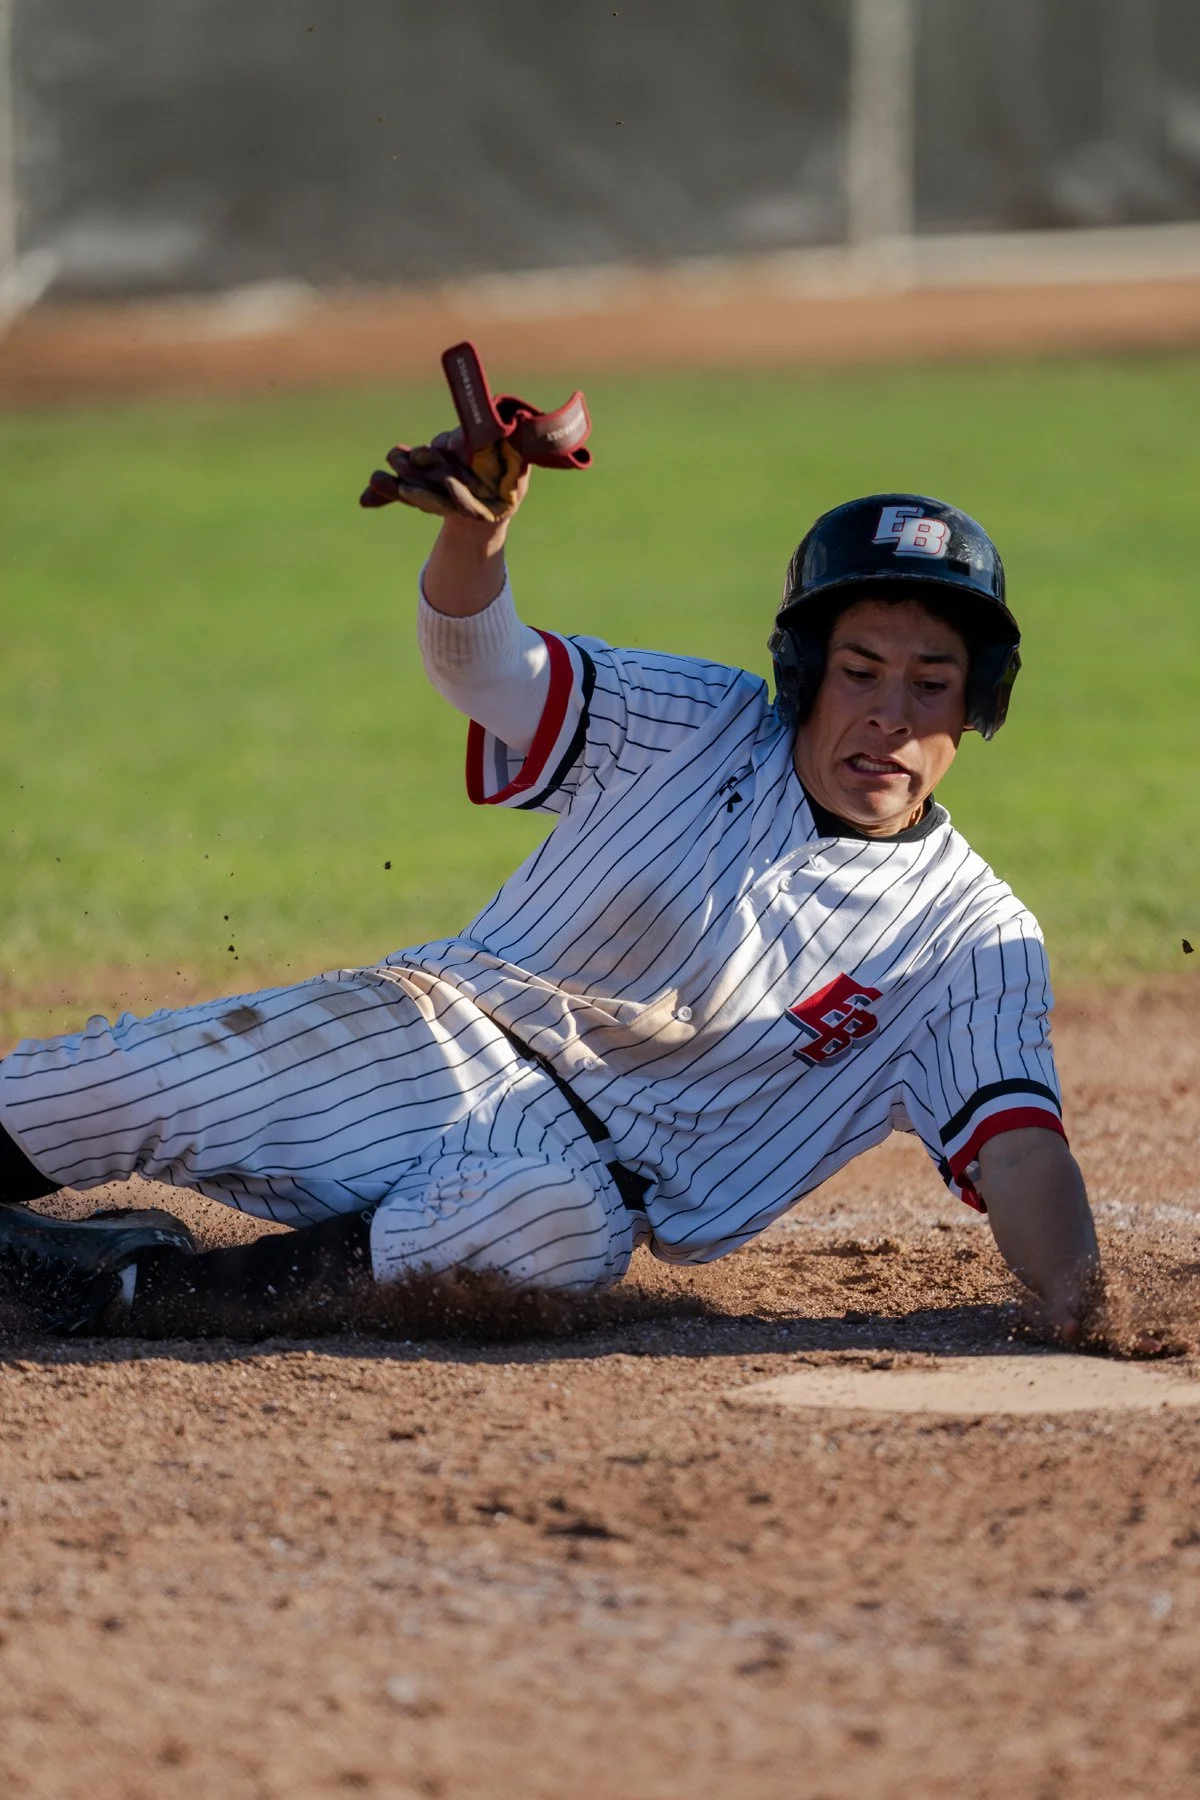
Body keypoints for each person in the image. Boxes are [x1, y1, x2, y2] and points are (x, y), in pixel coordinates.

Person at [0, 472, 1100, 1341]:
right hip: (421, 1040)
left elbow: (1018, 1149)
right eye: (860, 670)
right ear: (806, 671)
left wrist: (1079, 1301)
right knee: (113, 1084)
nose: (890, 720)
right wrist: (475, 537)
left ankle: (126, 1289)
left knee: (522, 1236)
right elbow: (488, 671)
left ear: (978, 705)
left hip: (571, 1185)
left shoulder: (970, 936)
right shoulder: (695, 722)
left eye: (931, 684)